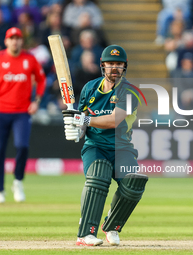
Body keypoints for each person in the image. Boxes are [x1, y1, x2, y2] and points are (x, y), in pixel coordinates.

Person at [62, 45, 148, 246]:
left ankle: (112, 226)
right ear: (103, 66)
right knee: (98, 173)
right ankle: (86, 233)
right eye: (110, 64)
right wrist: (75, 129)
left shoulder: (130, 92)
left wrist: (83, 121)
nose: (114, 68)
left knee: (134, 183)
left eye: (119, 64)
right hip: (95, 146)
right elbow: (82, 120)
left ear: (124, 67)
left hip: (122, 147)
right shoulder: (89, 88)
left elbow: (113, 121)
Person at [0, 27, 46, 205]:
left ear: (21, 41)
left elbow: (41, 79)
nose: (15, 41)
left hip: (22, 112)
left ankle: (17, 182)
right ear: (6, 41)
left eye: (18, 38)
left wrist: (37, 101)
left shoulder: (29, 59)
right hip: (0, 111)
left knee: (22, 146)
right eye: (12, 38)